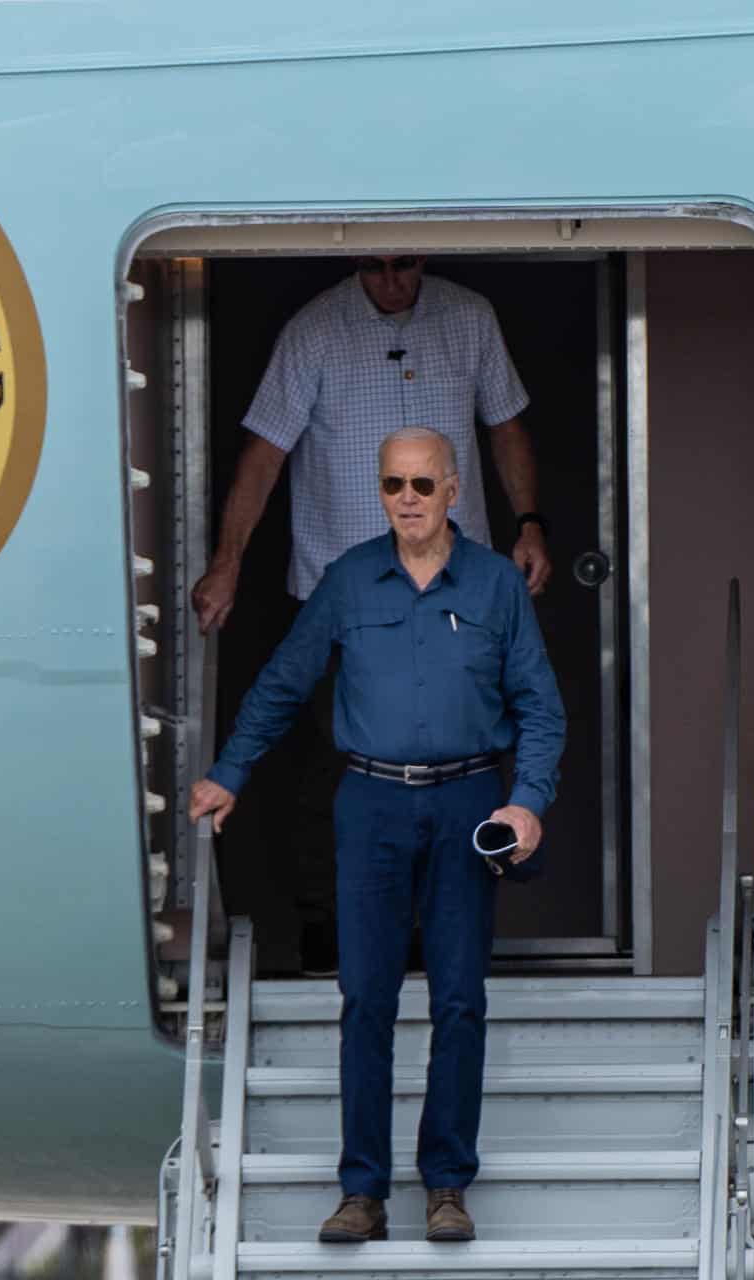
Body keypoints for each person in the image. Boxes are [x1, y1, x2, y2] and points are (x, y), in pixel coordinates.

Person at [187, 427, 565, 1245]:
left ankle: (446, 1187)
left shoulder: (497, 586)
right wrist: (231, 773)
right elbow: (283, 682)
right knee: (366, 999)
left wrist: (527, 802)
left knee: (460, 1000)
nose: (407, 500)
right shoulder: (350, 581)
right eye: (393, 484)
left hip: (469, 803)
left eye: (423, 486)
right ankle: (361, 1190)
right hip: (371, 805)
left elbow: (540, 707)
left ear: (455, 491)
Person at [191, 255, 550, 975]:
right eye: (376, 268)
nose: (391, 281)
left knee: (460, 757)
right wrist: (228, 560)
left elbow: (507, 427)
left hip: (456, 584)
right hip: (344, 583)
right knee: (340, 765)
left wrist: (531, 523)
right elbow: (264, 456)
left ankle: (443, 934)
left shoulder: (469, 315)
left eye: (404, 267)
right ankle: (333, 934)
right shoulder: (314, 330)